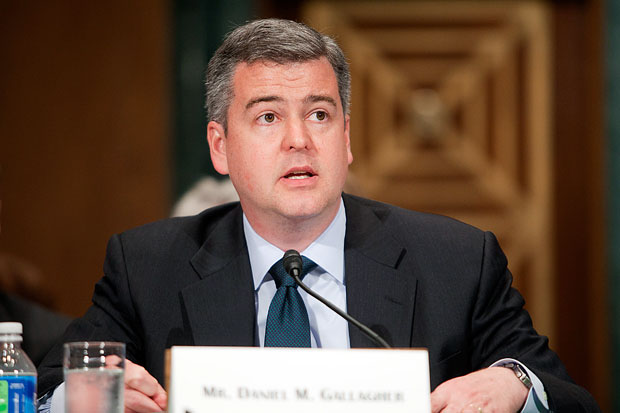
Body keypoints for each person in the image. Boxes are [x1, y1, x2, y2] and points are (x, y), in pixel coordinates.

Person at [37, 18, 600, 412]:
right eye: (268, 117)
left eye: (319, 114)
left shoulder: (456, 260)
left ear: (346, 139)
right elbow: (43, 387)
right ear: (220, 146)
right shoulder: (147, 266)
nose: (299, 140)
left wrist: (515, 385)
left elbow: (568, 396)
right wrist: (87, 397)